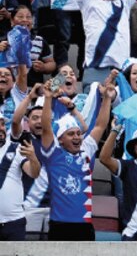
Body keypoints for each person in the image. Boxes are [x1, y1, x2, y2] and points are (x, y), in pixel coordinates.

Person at [39, 78, 112, 240]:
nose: (77, 137)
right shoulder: (53, 154)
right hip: (59, 226)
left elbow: (100, 126)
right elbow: (45, 128)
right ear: (60, 139)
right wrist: (48, 98)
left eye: (78, 133)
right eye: (71, 134)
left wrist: (107, 98)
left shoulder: (86, 150)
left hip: (84, 226)